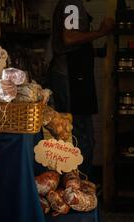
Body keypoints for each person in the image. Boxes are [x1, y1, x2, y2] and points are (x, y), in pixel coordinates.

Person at [48, 0, 114, 177]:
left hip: (74, 75)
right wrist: (101, 32)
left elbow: (75, 44)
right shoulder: (72, 4)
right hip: (71, 77)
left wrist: (99, 51)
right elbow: (69, 38)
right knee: (79, 133)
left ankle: (78, 182)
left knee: (79, 132)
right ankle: (80, 183)